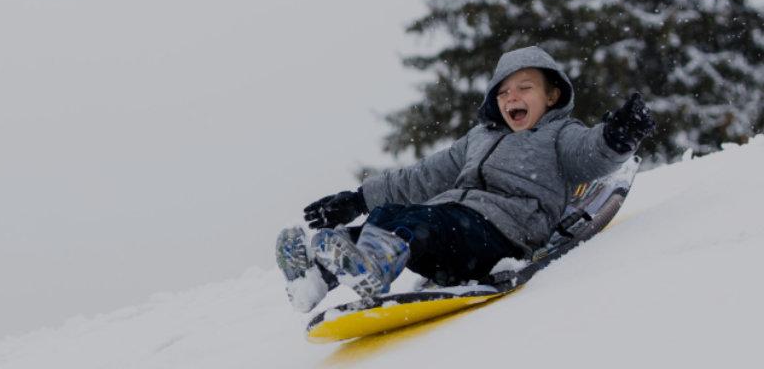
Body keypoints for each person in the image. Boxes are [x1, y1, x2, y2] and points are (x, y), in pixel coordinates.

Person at [276, 46, 655, 313]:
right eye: (504, 91)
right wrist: (359, 200)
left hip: (503, 234)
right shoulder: (479, 137)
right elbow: (423, 175)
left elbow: (591, 156)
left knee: (418, 223)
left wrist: (616, 136)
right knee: (391, 215)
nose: (512, 98)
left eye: (525, 88)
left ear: (553, 95)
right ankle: (315, 277)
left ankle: (374, 265)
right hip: (453, 232)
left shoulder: (560, 134)